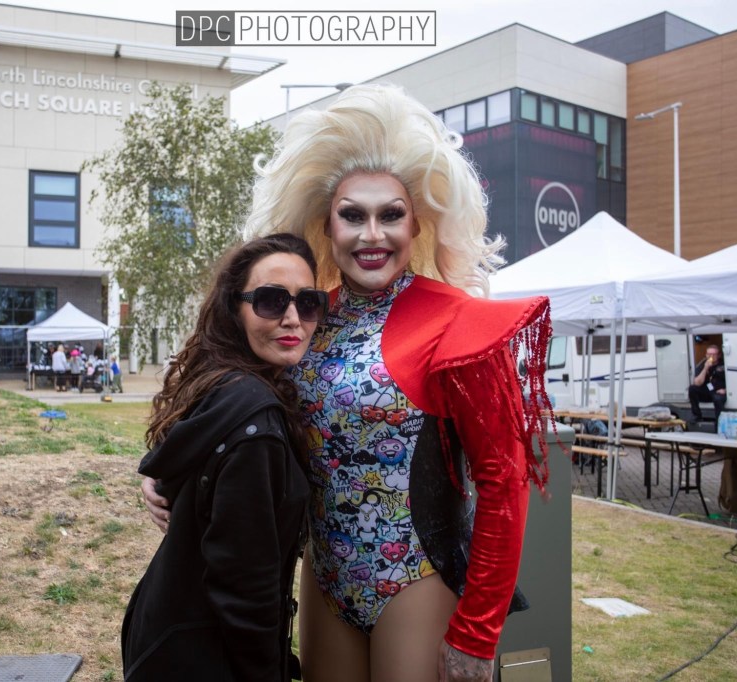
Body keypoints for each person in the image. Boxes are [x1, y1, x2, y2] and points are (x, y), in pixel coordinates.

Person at [143, 84, 554, 682]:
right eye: (353, 215)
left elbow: (503, 480)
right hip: (323, 581)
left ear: (418, 224)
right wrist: (169, 470)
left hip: (416, 581)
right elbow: (229, 395)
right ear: (326, 225)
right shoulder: (304, 317)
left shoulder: (457, 323)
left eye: (391, 215)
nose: (372, 234)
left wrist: (478, 629)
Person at [121, 233, 328, 682]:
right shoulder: (257, 426)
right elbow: (245, 591)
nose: (293, 319)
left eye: (308, 302)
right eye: (271, 301)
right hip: (207, 657)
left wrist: (156, 478)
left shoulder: (222, 383)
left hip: (166, 636)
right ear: (235, 308)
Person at [689, 344, 726, 421]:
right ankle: (697, 415)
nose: (711, 356)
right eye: (709, 354)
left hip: (719, 391)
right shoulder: (703, 364)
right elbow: (697, 383)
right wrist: (705, 369)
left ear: (719, 355)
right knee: (692, 389)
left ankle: (719, 422)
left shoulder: (723, 364)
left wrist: (726, 390)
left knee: (718, 399)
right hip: (707, 391)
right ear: (706, 355)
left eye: (714, 354)